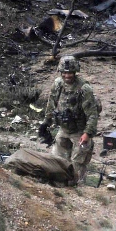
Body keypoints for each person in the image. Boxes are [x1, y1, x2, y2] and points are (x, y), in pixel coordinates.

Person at [41, 55, 99, 183]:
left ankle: (78, 188)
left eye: (70, 73)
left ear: (75, 72)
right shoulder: (58, 84)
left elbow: (92, 114)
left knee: (77, 164)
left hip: (80, 131)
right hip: (63, 129)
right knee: (56, 161)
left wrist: (87, 133)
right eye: (65, 73)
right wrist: (46, 122)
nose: (67, 76)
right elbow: (51, 104)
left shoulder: (84, 89)